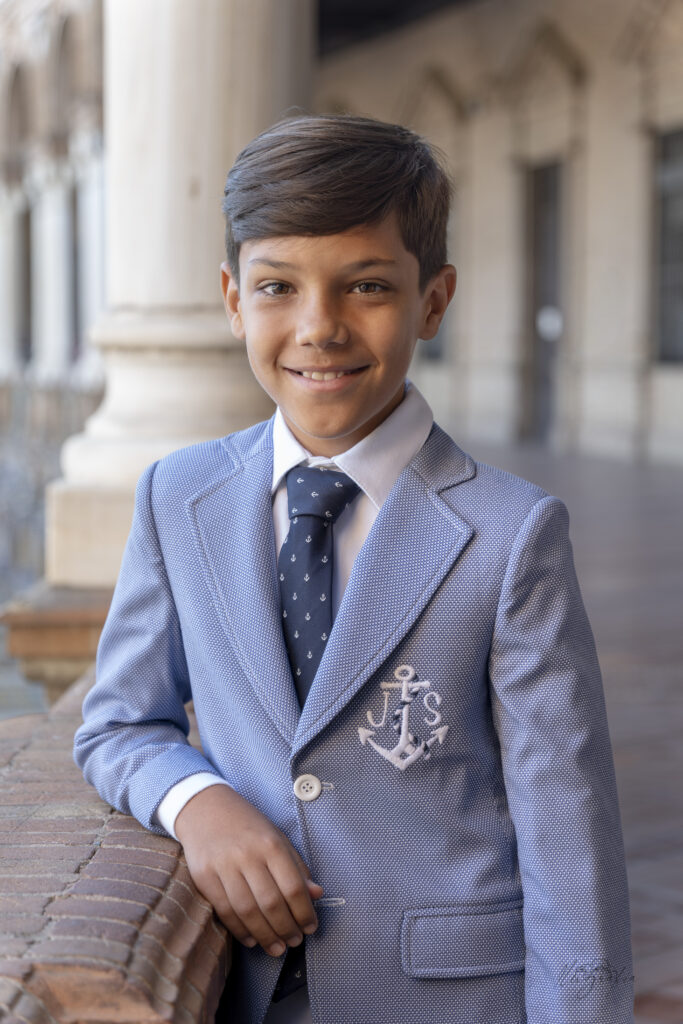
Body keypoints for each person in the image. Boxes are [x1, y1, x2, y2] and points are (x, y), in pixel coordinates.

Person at [74, 114, 634, 1024]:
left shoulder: (511, 532)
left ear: (432, 301)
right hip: (247, 994)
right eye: (277, 287)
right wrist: (197, 801)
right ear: (232, 300)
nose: (318, 328)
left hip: (450, 999)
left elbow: (567, 829)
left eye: (366, 286)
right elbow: (118, 725)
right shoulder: (178, 496)